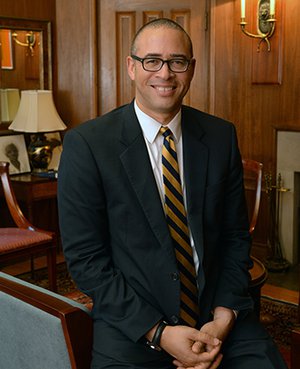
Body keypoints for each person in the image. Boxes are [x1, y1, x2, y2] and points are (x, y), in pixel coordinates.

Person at [57, 18, 288, 369]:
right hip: (132, 323)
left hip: (216, 315)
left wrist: (224, 318)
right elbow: (86, 259)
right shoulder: (87, 144)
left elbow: (234, 236)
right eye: (152, 60)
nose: (165, 74)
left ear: (191, 69)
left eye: (177, 62)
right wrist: (160, 333)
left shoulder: (220, 136)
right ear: (131, 67)